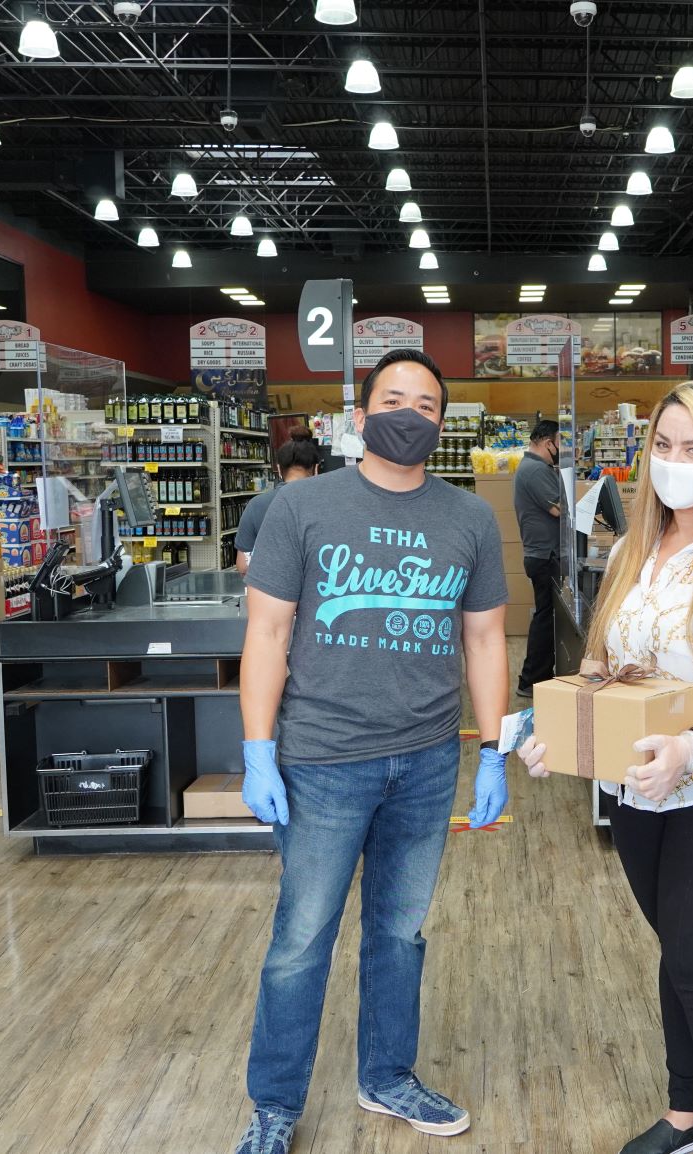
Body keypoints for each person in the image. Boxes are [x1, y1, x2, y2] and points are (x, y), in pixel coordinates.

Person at [233, 349, 511, 1154]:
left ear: (441, 424)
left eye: (427, 405)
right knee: (301, 939)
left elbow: (487, 638)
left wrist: (491, 750)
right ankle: (275, 1106)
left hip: (426, 762)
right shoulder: (304, 507)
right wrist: (257, 748)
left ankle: (387, 1076)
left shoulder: (468, 518)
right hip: (321, 761)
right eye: (394, 398)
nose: (409, 414)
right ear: (358, 417)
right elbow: (268, 632)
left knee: (401, 933)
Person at [518, 382, 693, 1154]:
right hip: (640, 792)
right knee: (678, 953)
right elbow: (606, 668)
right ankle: (687, 1116)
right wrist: (561, 735)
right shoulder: (635, 549)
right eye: (665, 447)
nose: (676, 464)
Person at [514, 419, 566, 698]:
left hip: (543, 554)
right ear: (548, 443)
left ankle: (538, 676)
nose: (561, 449)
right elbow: (559, 509)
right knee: (545, 619)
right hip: (544, 555)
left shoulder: (536, 468)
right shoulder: (535, 470)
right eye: (560, 442)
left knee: (547, 617)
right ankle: (532, 680)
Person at [234, 436, 322, 576]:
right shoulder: (325, 504)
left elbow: (244, 566)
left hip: (271, 592)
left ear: (279, 469)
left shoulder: (256, 505)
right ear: (316, 469)